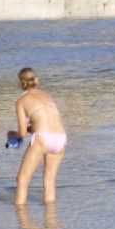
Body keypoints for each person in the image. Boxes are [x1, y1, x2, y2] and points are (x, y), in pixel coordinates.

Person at [11, 67, 68, 205]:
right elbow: (46, 122)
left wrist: (11, 134)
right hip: (61, 137)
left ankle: (21, 219)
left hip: (42, 138)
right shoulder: (48, 95)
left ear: (20, 83)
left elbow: (23, 133)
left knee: (22, 180)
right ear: (37, 80)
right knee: (49, 182)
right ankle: (51, 220)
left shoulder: (21, 101)